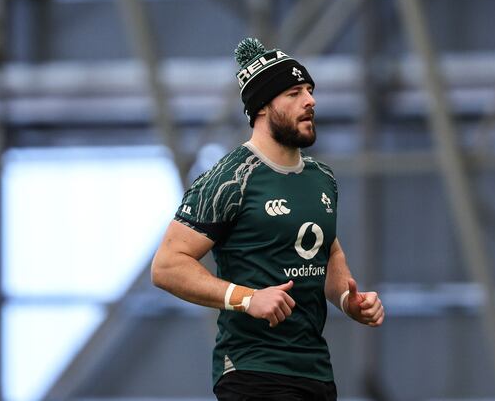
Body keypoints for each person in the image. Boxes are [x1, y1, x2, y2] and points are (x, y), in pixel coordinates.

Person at [151, 37, 384, 401]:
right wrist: (246, 299)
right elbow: (167, 266)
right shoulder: (231, 178)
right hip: (253, 372)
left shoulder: (322, 178)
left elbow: (328, 249)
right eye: (294, 93)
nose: (310, 101)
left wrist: (345, 299)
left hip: (316, 372)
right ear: (262, 107)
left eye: (309, 91)